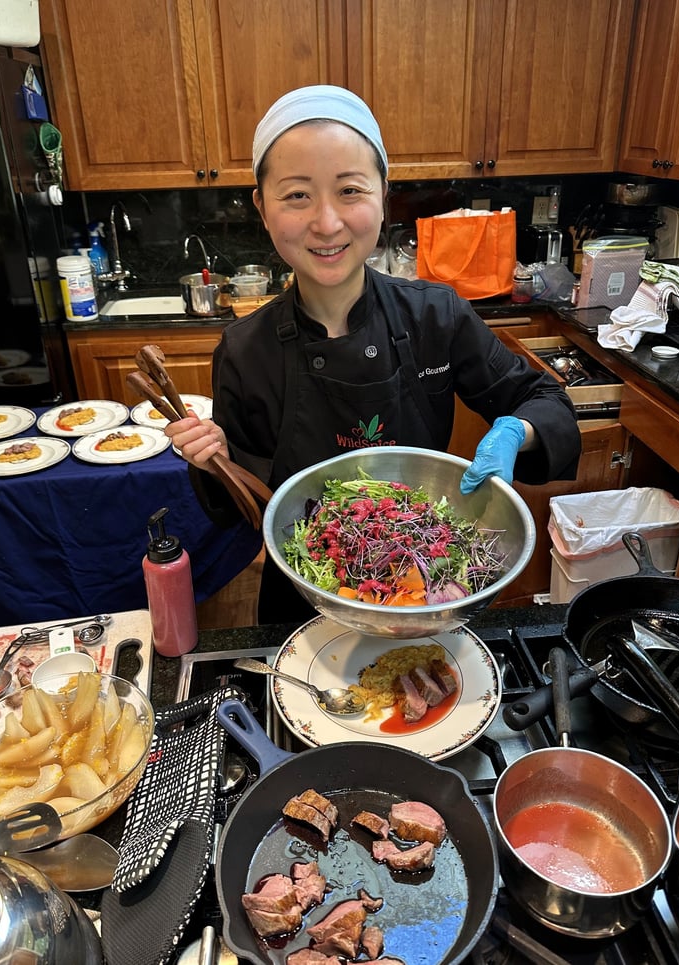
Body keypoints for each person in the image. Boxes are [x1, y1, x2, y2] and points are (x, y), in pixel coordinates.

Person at [166, 85, 581, 624]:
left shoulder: (437, 316)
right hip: (304, 601)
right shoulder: (245, 351)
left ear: (383, 194)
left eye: (350, 191)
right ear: (261, 207)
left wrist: (515, 431)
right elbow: (237, 510)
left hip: (428, 593)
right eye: (297, 195)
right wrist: (213, 459)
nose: (327, 222)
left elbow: (545, 399)